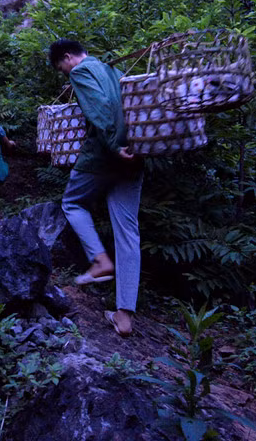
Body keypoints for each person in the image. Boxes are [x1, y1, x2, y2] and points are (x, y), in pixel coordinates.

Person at [49, 39, 143, 337]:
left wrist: (114, 146)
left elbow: (100, 109)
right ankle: (124, 316)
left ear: (67, 58)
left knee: (73, 204)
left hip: (104, 155)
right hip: (136, 153)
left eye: (60, 68)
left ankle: (100, 260)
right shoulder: (113, 70)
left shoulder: (82, 72)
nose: (64, 73)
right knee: (128, 231)